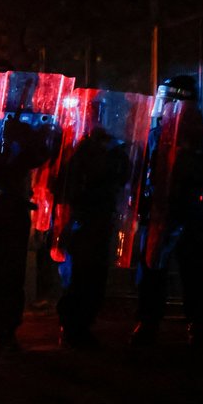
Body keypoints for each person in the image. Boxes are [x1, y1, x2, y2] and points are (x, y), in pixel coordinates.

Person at [0, 69, 58, 351]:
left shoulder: (25, 121)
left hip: (13, 202)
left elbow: (41, 155)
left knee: (11, 270)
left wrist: (28, 138)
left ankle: (6, 330)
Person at [132, 75, 203, 348]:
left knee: (195, 272)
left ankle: (199, 324)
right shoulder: (155, 134)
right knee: (151, 271)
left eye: (169, 101)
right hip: (158, 212)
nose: (163, 106)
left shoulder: (202, 137)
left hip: (189, 211)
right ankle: (148, 322)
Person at [56, 94, 130, 349]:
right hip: (84, 219)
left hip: (99, 218)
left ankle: (80, 326)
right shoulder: (81, 147)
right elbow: (68, 186)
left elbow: (122, 177)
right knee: (81, 276)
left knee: (94, 275)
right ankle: (73, 327)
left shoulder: (111, 148)